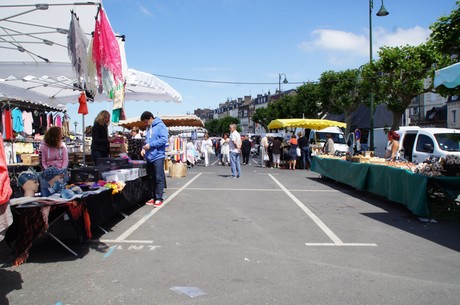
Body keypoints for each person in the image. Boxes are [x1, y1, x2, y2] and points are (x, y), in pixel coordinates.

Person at [140, 111, 168, 207]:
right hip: (149, 157)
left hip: (158, 156)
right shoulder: (148, 128)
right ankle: (152, 197)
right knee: (150, 178)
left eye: (146, 121)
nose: (145, 124)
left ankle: (159, 197)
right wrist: (144, 149)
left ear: (151, 118)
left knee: (158, 177)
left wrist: (150, 145)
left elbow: (164, 139)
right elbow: (147, 141)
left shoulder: (160, 126)